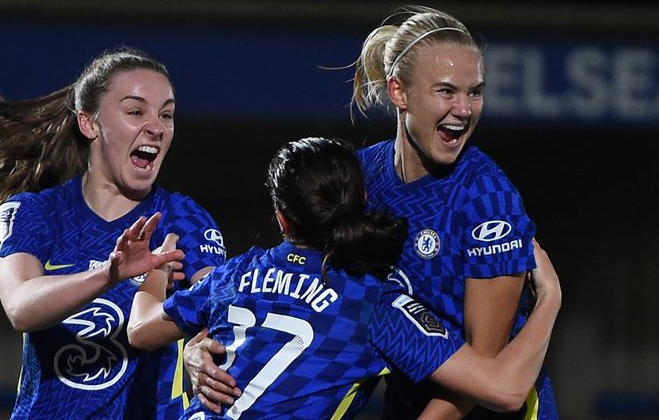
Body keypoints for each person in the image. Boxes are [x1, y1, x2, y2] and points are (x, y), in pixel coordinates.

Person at [184, 5, 559, 420]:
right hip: (405, 402)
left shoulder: (488, 201)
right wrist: (200, 348)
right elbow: (285, 284)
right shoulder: (360, 176)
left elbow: (485, 375)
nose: (465, 109)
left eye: (475, 92)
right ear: (399, 92)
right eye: (447, 91)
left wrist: (550, 299)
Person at [128, 136, 561, 420]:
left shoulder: (234, 273)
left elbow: (142, 330)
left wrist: (155, 271)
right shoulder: (371, 305)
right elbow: (505, 391)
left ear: (281, 218)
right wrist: (549, 301)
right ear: (364, 200)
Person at [0, 46, 226, 419]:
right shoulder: (35, 212)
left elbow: (218, 309)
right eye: (136, 111)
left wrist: (198, 348)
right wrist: (111, 274)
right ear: (89, 123)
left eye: (167, 114)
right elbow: (20, 307)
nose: (156, 127)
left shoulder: (183, 218)